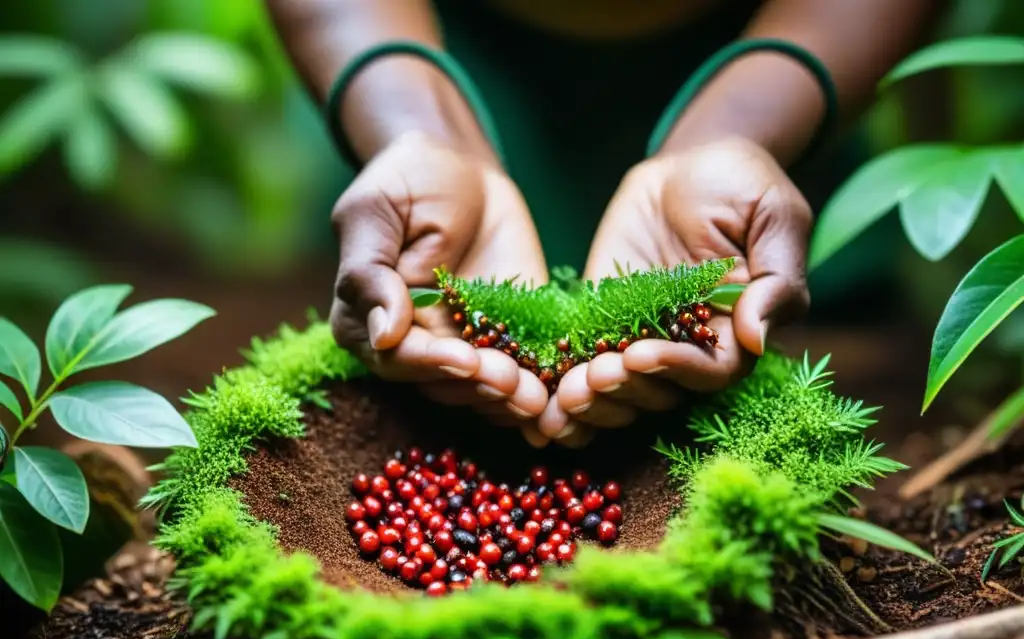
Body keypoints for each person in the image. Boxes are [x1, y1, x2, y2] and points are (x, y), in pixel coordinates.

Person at [265, 0, 940, 448]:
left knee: (804, 343)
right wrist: (415, 127)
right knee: (416, 361)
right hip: (426, 52)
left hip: (784, 50)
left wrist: (740, 131)